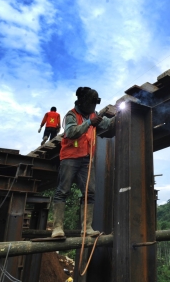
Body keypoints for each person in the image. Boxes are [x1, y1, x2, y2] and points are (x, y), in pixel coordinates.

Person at [51, 87, 115, 238]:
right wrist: (89, 122)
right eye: (91, 105)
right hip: (69, 158)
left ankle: (86, 228)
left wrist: (121, 115)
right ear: (82, 102)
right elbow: (71, 132)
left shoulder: (93, 114)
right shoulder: (71, 115)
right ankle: (57, 228)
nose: (93, 108)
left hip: (86, 159)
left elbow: (107, 124)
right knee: (62, 191)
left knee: (90, 193)